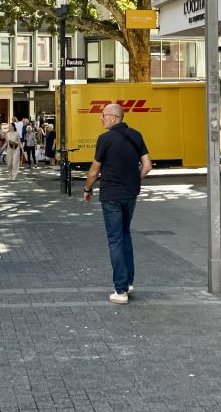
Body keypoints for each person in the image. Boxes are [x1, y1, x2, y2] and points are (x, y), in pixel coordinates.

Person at [83, 103, 153, 304]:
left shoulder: (104, 139)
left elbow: (94, 171)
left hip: (111, 195)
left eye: (103, 115)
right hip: (130, 194)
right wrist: (134, 181)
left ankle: (120, 290)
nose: (101, 119)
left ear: (113, 118)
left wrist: (87, 189)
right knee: (125, 234)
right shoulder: (136, 135)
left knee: (115, 239)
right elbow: (147, 165)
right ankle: (128, 282)